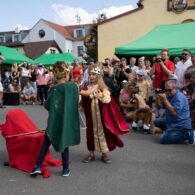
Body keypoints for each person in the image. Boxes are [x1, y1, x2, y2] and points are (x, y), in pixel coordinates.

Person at [30, 65, 80, 177]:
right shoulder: (72, 87)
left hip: (54, 121)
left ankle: (37, 166)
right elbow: (76, 100)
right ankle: (66, 170)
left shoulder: (54, 89)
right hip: (65, 121)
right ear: (66, 75)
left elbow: (47, 105)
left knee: (46, 143)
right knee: (64, 143)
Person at [80, 65, 129, 163]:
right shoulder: (86, 87)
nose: (91, 77)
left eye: (94, 74)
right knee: (90, 133)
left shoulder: (103, 88)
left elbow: (107, 100)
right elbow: (82, 101)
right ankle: (91, 153)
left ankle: (104, 153)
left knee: (103, 133)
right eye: (90, 75)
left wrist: (101, 95)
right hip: (90, 116)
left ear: (98, 76)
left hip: (101, 115)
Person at [154, 79, 194, 144]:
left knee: (163, 139)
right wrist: (157, 98)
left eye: (169, 90)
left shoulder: (179, 97)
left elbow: (175, 113)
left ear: (176, 88)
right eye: (166, 90)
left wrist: (164, 99)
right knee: (156, 122)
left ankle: (187, 134)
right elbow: (159, 107)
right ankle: (171, 132)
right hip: (172, 122)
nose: (167, 92)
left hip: (181, 125)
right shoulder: (169, 95)